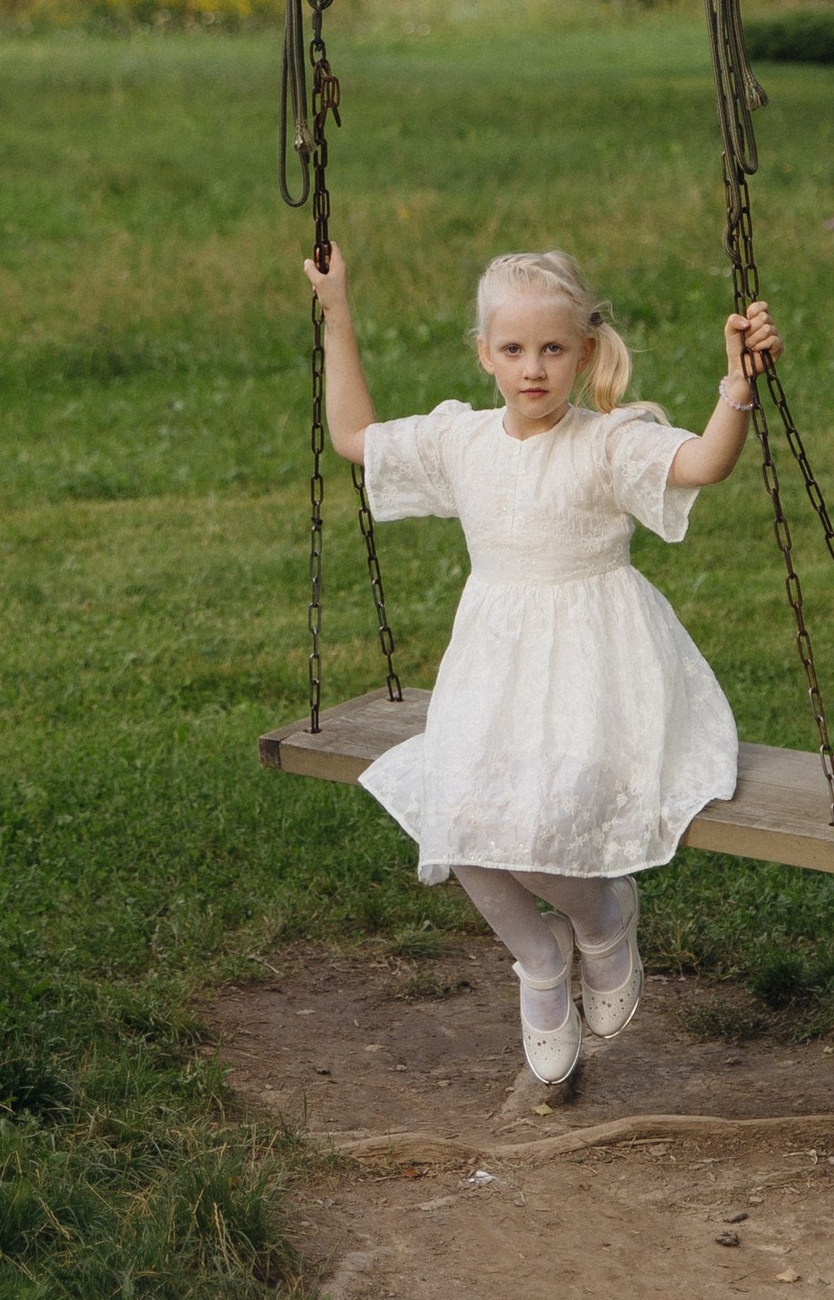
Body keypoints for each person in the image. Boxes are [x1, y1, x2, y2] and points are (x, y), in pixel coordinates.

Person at [309, 241, 780, 1085]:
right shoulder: (462, 441)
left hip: (602, 666)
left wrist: (736, 391)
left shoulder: (606, 444)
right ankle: (539, 957)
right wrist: (336, 306)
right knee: (459, 811)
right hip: (496, 668)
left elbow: (703, 463)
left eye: (553, 349)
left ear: (585, 353)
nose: (534, 369)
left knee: (533, 823)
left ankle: (603, 919)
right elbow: (351, 435)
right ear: (485, 354)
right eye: (515, 350)